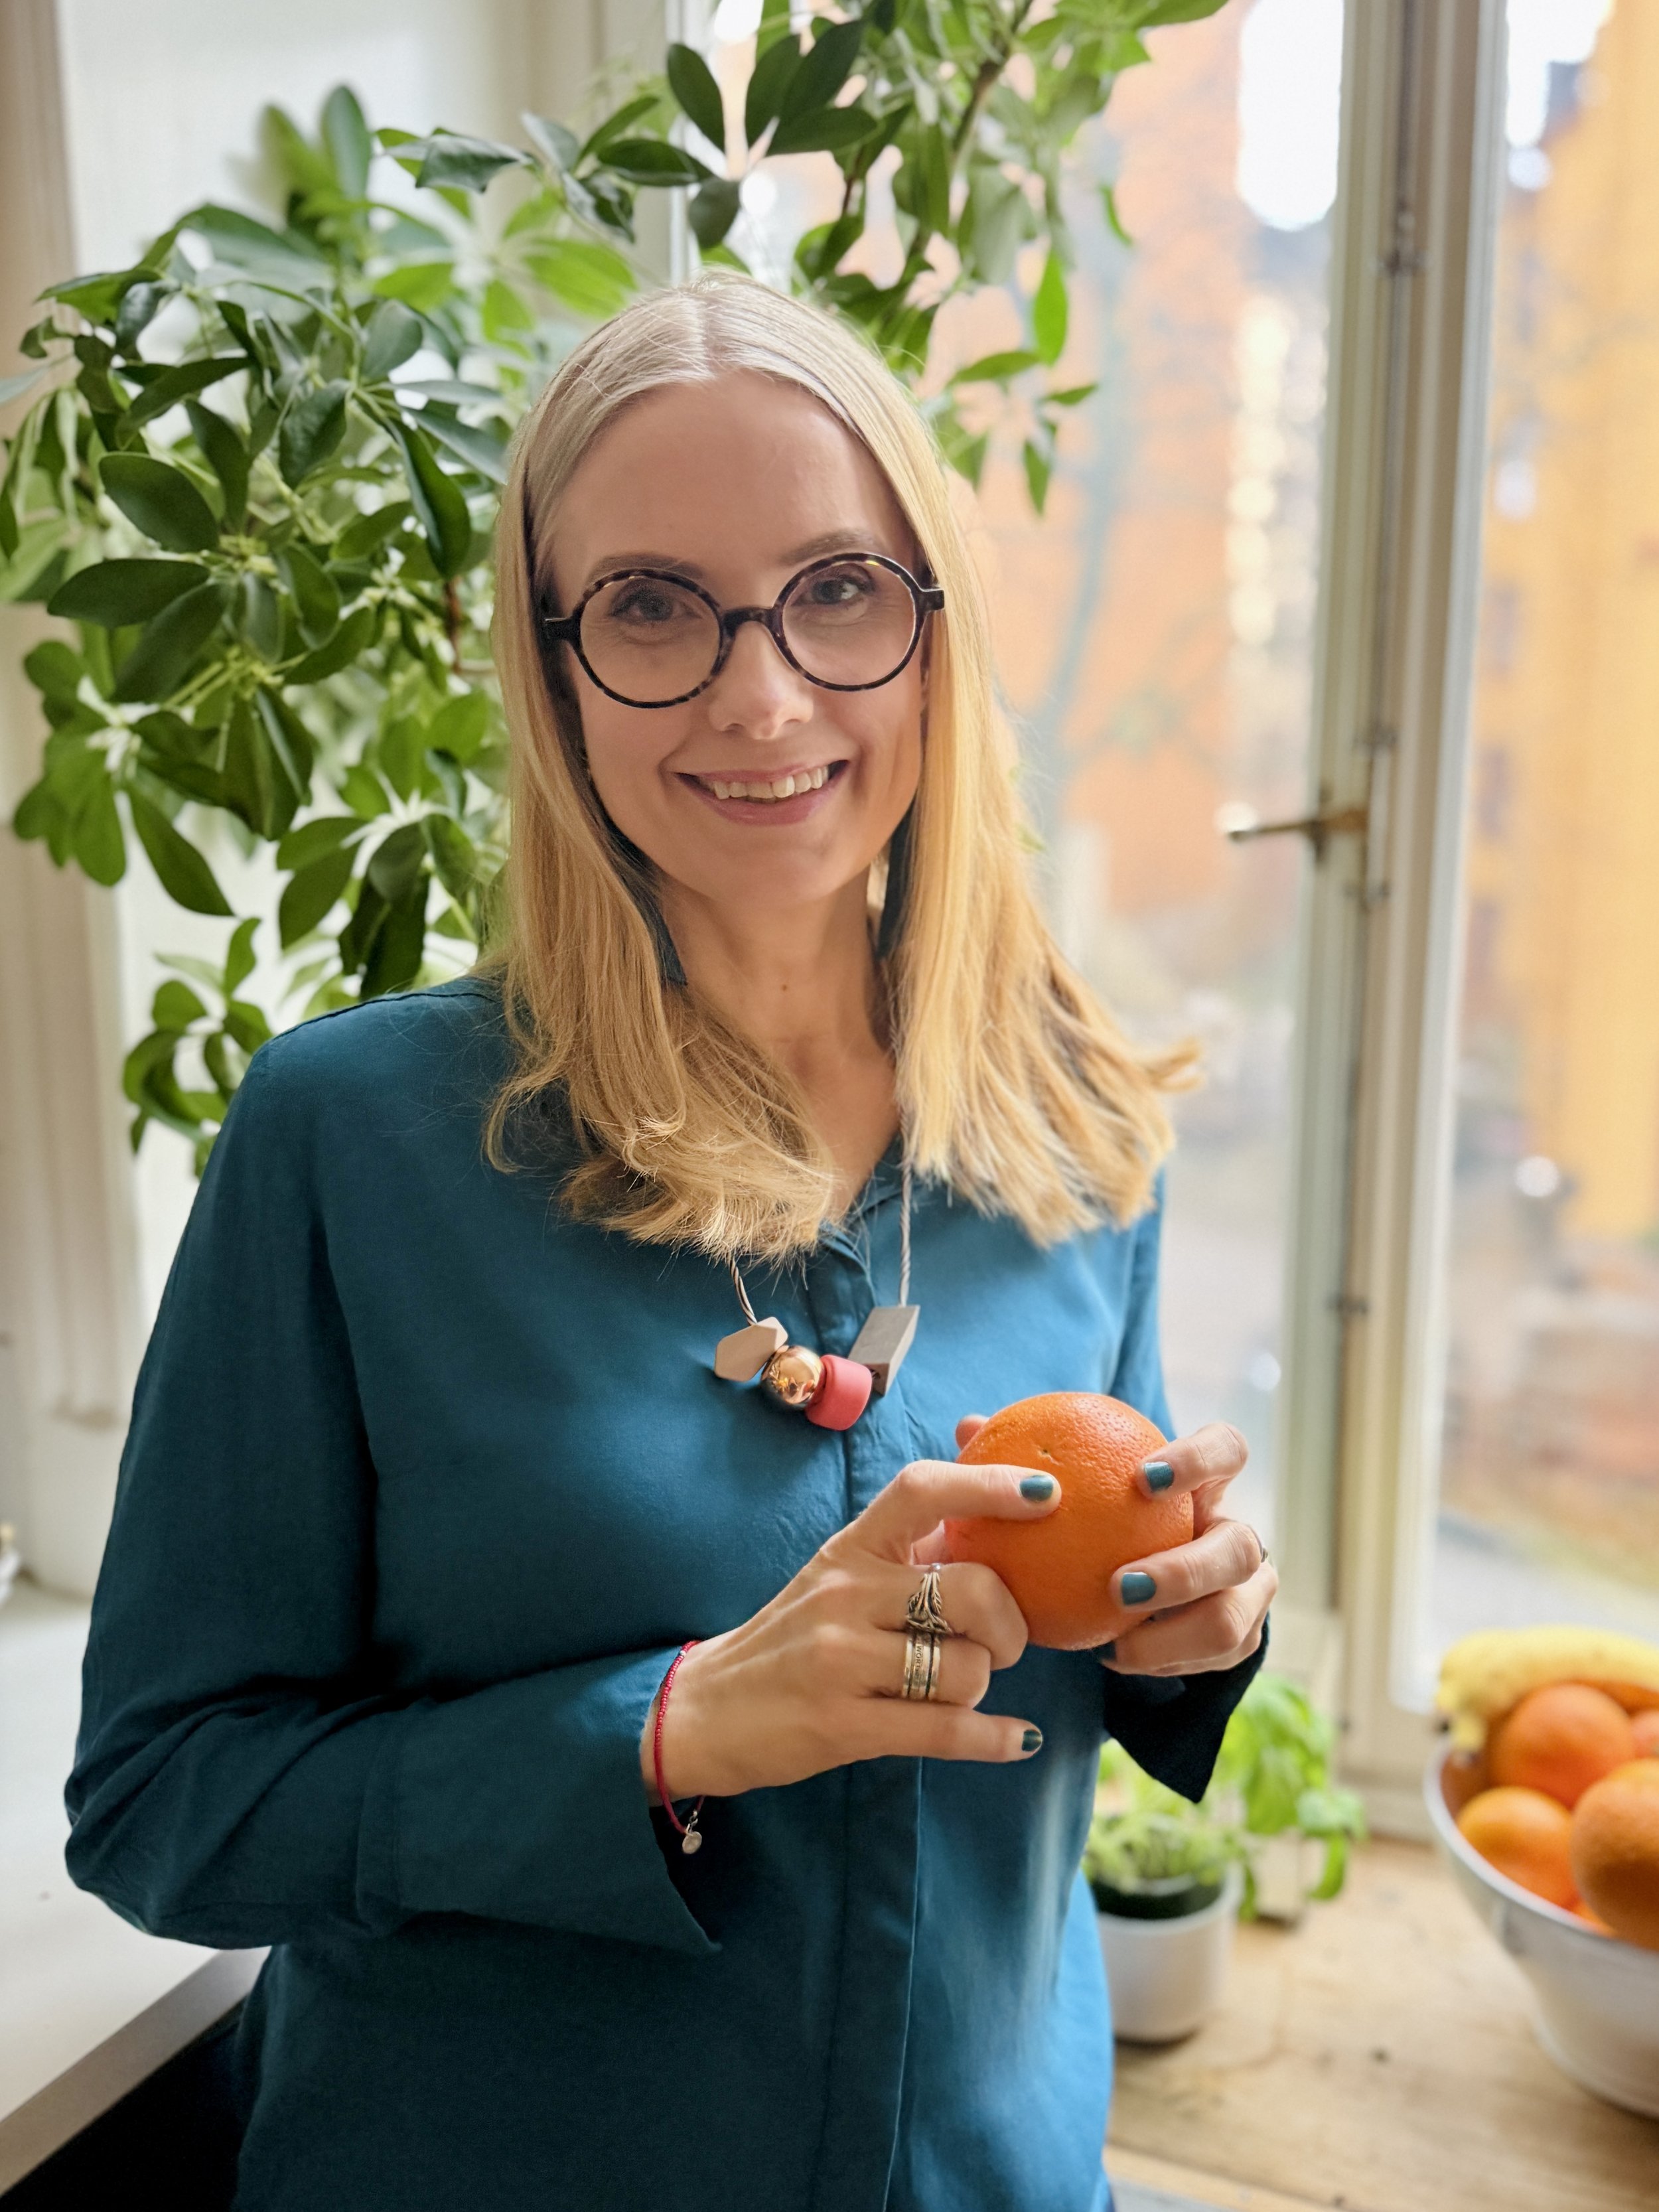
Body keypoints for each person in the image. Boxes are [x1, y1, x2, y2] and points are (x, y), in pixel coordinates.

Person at [66, 275, 1274, 2212]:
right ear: (549, 671)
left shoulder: (1077, 1121)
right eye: (649, 606)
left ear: (931, 635)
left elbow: (1075, 1615)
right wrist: (664, 1736)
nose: (763, 694)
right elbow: (163, 1806)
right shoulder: (350, 1144)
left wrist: (1187, 1625)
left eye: (839, 591)